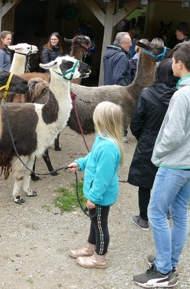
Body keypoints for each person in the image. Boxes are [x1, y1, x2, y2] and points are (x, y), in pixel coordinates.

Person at [133, 41, 190, 288]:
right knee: (179, 215)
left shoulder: (183, 95)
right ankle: (169, 260)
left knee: (156, 213)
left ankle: (161, 271)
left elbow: (173, 135)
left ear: (179, 63)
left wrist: (158, 156)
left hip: (175, 165)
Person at [67, 101, 124, 269]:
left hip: (100, 196)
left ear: (102, 121)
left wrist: (94, 197)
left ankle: (100, 259)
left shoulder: (108, 147)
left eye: (96, 117)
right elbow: (92, 157)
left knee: (100, 225)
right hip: (97, 195)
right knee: (95, 222)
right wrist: (80, 163)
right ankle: (90, 247)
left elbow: (103, 178)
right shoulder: (102, 138)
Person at [128, 59, 179, 231]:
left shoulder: (147, 93)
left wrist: (143, 137)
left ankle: (143, 218)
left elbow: (135, 122)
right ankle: (164, 212)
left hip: (149, 140)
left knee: (145, 181)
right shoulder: (181, 95)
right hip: (172, 142)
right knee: (167, 178)